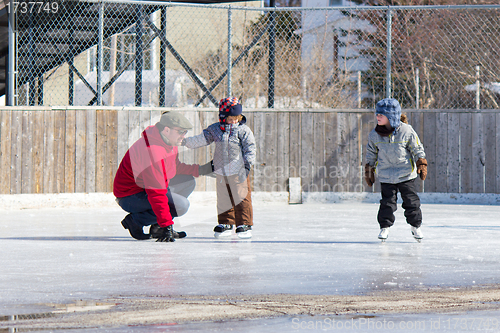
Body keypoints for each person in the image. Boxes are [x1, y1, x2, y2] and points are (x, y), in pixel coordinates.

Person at [113, 111, 214, 242]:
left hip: (145, 189)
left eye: (185, 132)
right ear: (167, 130)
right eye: (181, 132)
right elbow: (156, 192)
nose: (184, 136)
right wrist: (167, 225)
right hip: (130, 196)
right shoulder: (152, 151)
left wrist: (201, 170)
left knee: (188, 181)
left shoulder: (169, 142)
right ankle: (135, 221)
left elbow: (174, 167)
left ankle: (157, 228)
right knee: (181, 205)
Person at [182, 97, 256, 239]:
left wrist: (247, 166)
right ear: (223, 117)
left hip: (239, 171)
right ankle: (226, 223)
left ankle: (244, 224)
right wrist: (185, 142)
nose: (235, 121)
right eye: (231, 118)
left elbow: (250, 149)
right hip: (222, 172)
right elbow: (201, 139)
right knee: (224, 198)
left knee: (242, 197)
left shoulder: (243, 130)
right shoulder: (215, 130)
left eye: (237, 118)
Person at [364, 98, 427, 242]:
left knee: (411, 202)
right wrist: (369, 169)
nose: (377, 117)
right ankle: (384, 227)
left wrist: (421, 162)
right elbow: (371, 153)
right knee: (387, 203)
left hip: (405, 174)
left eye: (381, 114)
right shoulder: (375, 134)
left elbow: (417, 148)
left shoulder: (406, 131)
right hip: (386, 175)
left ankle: (415, 226)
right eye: (377, 114)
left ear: (391, 116)